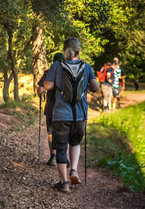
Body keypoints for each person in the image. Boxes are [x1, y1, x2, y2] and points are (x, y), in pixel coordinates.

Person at [44, 37, 99, 192]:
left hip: (61, 114)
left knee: (61, 148)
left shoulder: (56, 65)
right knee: (75, 143)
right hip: (80, 114)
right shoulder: (86, 66)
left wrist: (53, 80)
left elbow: (48, 86)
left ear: (64, 50)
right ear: (78, 51)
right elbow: (95, 88)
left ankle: (64, 183)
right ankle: (74, 169)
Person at [37, 53, 68, 167]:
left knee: (51, 132)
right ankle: (64, 155)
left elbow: (40, 91)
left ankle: (53, 157)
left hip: (51, 107)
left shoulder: (48, 72)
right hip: (65, 108)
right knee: (64, 131)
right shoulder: (68, 73)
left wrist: (42, 93)